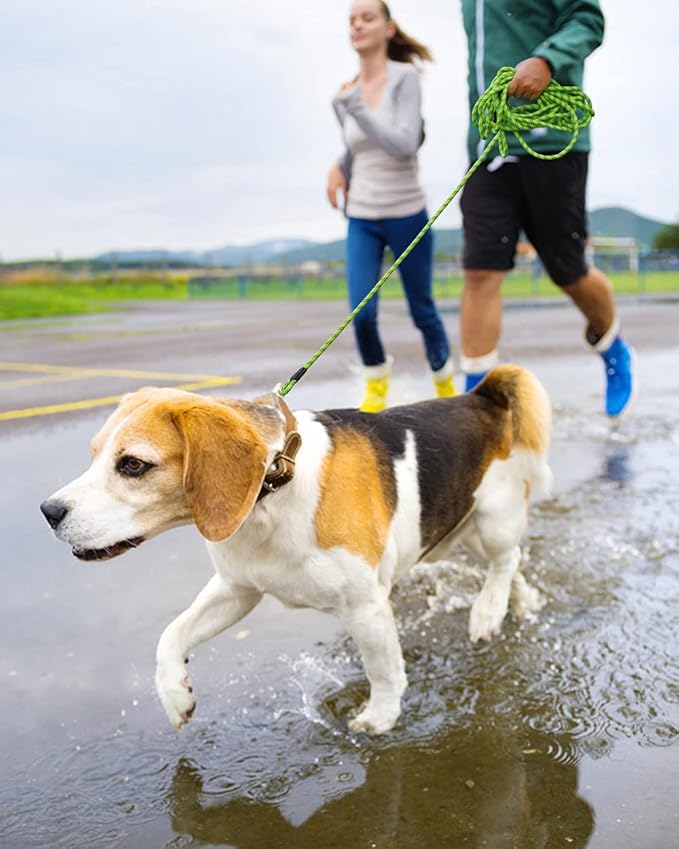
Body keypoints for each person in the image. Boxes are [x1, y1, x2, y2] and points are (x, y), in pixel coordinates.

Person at [458, 0, 636, 418]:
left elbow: (587, 18)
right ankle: (475, 405)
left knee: (567, 269)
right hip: (491, 146)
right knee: (480, 268)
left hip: (552, 142)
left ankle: (613, 346)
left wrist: (546, 59)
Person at [327, 0, 454, 412]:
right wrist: (338, 166)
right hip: (362, 214)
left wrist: (359, 109)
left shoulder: (404, 80)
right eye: (351, 21)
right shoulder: (343, 96)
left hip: (406, 212)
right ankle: (376, 385)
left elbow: (402, 144)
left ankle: (446, 388)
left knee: (423, 310)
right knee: (361, 314)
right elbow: (356, 147)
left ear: (389, 28)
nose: (357, 26)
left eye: (367, 18)